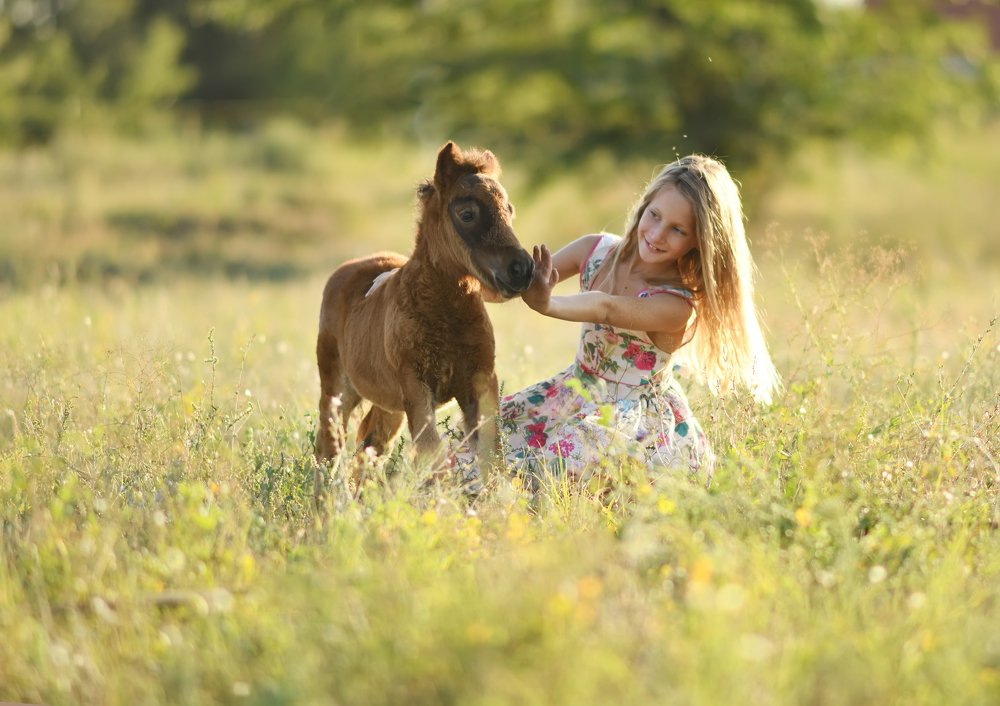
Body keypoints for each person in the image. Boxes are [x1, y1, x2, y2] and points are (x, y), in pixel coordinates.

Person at [479, 153, 780, 487]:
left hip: (633, 419)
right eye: (654, 215)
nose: (657, 234)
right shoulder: (594, 249)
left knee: (554, 469)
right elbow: (512, 286)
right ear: (644, 204)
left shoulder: (676, 303)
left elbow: (605, 308)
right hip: (572, 390)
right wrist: (440, 278)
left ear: (699, 243)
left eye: (677, 230)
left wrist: (547, 304)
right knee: (475, 444)